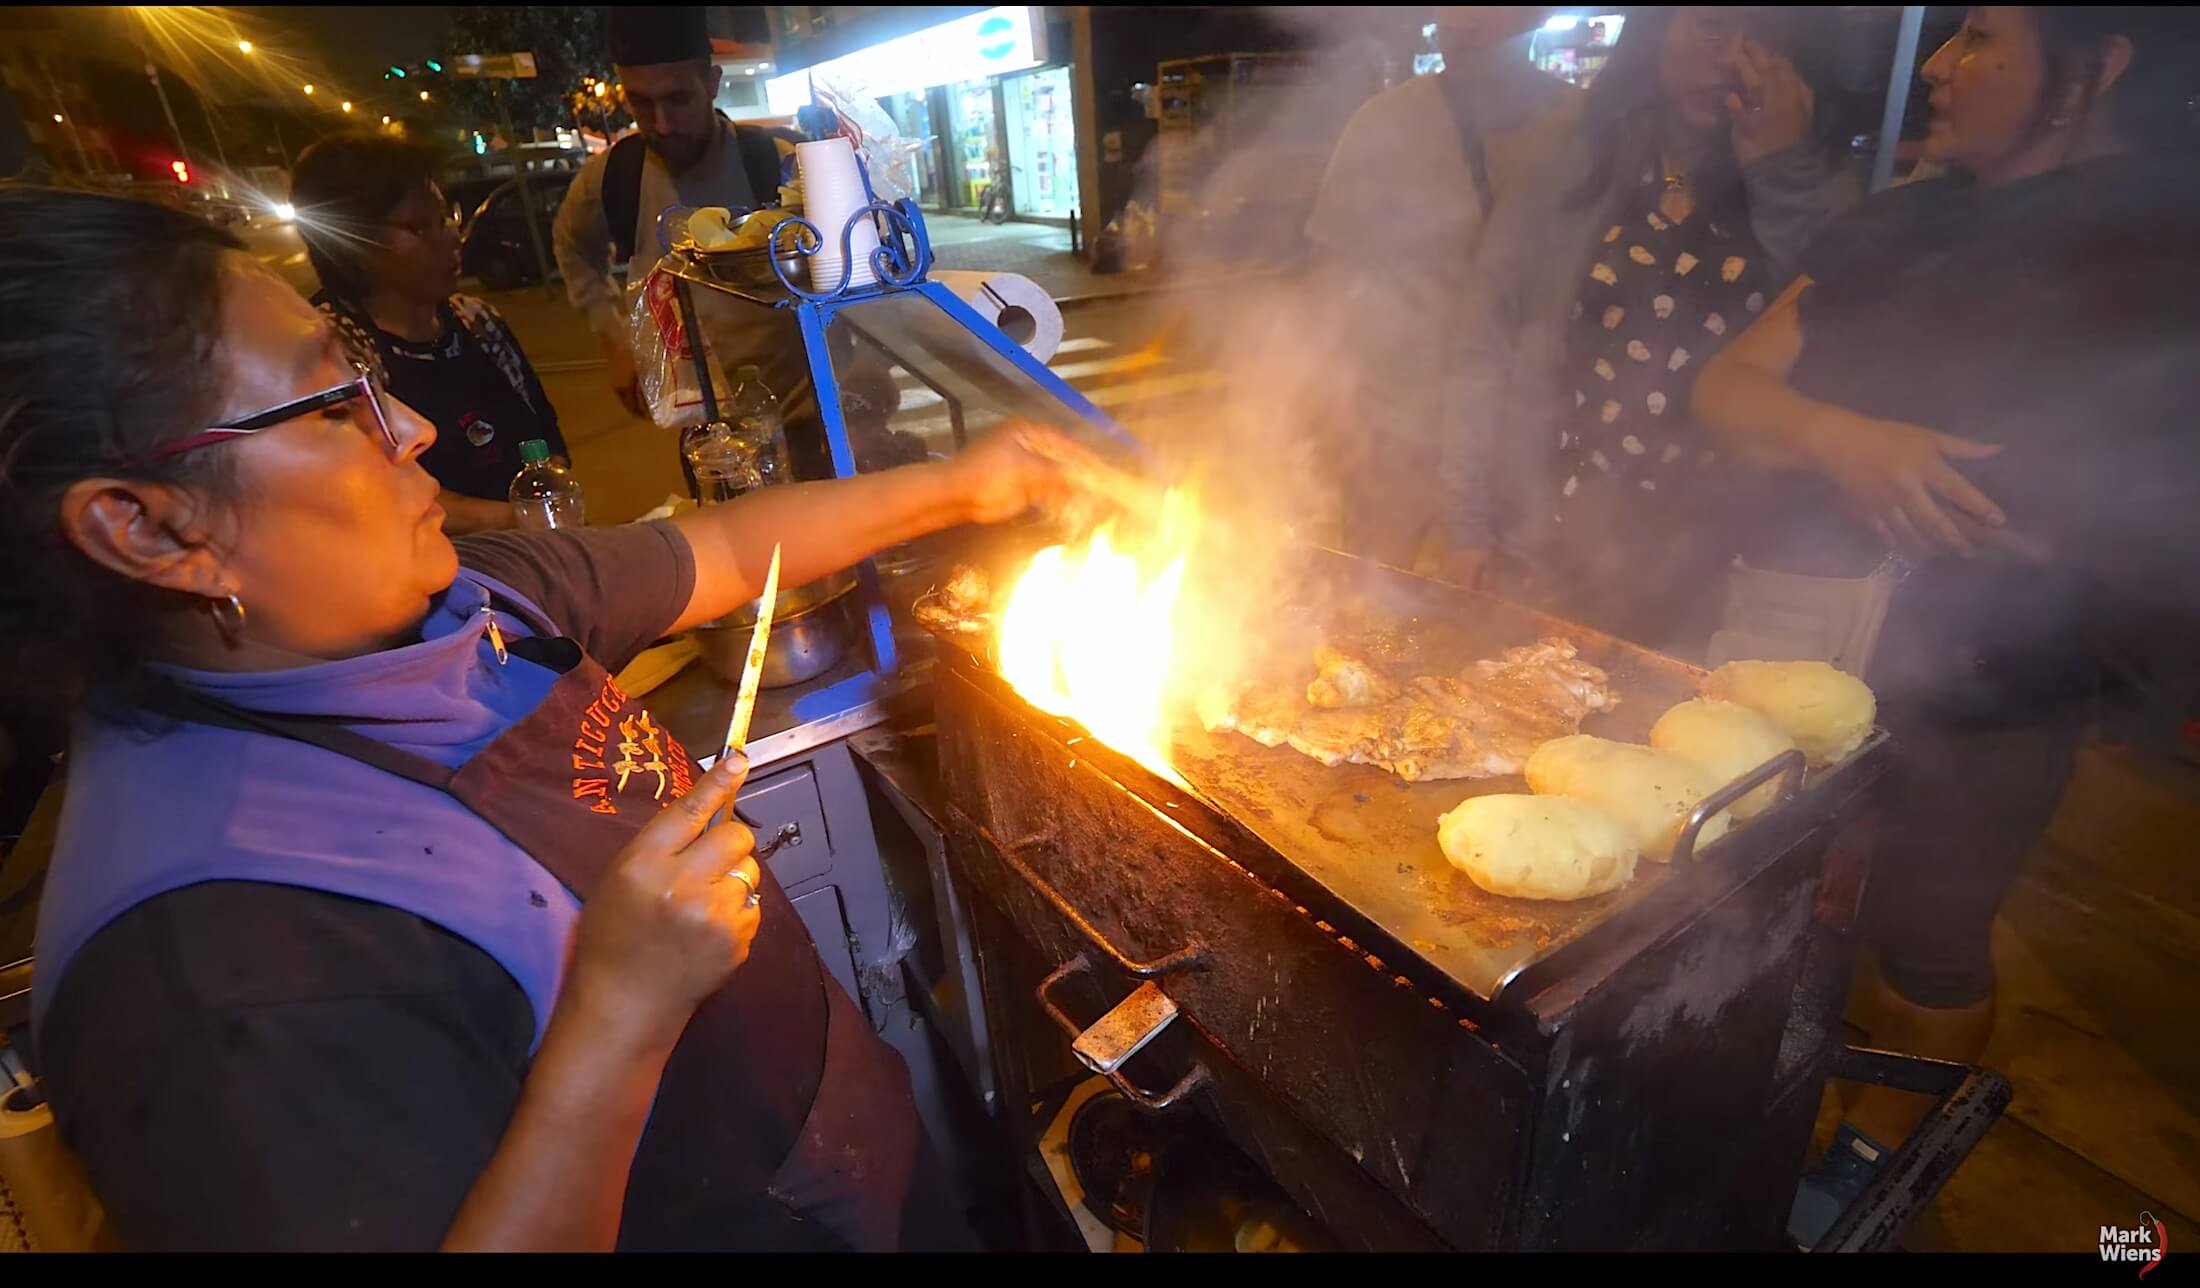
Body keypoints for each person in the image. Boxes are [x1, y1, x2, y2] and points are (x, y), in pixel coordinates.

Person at [1, 185, 1098, 1251]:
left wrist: (969, 484)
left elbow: (718, 551)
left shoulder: (457, 597)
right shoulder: (210, 977)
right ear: (146, 530)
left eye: (370, 383)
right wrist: (620, 1011)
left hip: (842, 1165)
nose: (415, 429)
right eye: (334, 406)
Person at [1689, 6, 2200, 1246]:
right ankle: (1721, 1116)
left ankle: (1867, 1168)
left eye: (1978, 38)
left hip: (1999, 678)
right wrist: (1844, 442)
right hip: (1803, 643)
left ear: (2100, 65)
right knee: (1749, 903)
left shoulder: (2164, 245)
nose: (1942, 67)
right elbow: (1725, 387)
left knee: (1928, 937)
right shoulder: (1897, 220)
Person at [1442, 6, 1853, 651]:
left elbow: (1825, 335)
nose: (1731, 59)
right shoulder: (1569, 156)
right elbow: (1482, 345)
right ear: (1657, 31)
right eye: (1712, 28)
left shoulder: (1804, 176)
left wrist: (1779, 168)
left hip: (1723, 567)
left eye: (1762, 39)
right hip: (1559, 543)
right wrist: (1465, 524)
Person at [1305, 6, 1577, 575]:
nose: (1464, 23)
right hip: (1400, 436)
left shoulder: (1580, 125)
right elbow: (1329, 283)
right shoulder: (1384, 123)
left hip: (1528, 441)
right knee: (1387, 614)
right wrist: (1340, 431)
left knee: (1512, 631)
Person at [290, 133, 566, 535]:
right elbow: (386, 493)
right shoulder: (335, 351)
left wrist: (554, 499)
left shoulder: (477, 321)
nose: (453, 238)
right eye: (421, 228)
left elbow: (542, 433)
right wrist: (525, 520)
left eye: (445, 218)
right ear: (350, 242)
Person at [553, 5, 807, 425]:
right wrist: (614, 338)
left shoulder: (778, 162)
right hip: (698, 427)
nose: (663, 124)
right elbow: (572, 245)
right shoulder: (613, 177)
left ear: (712, 84)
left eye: (678, 99)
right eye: (641, 102)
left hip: (803, 411)